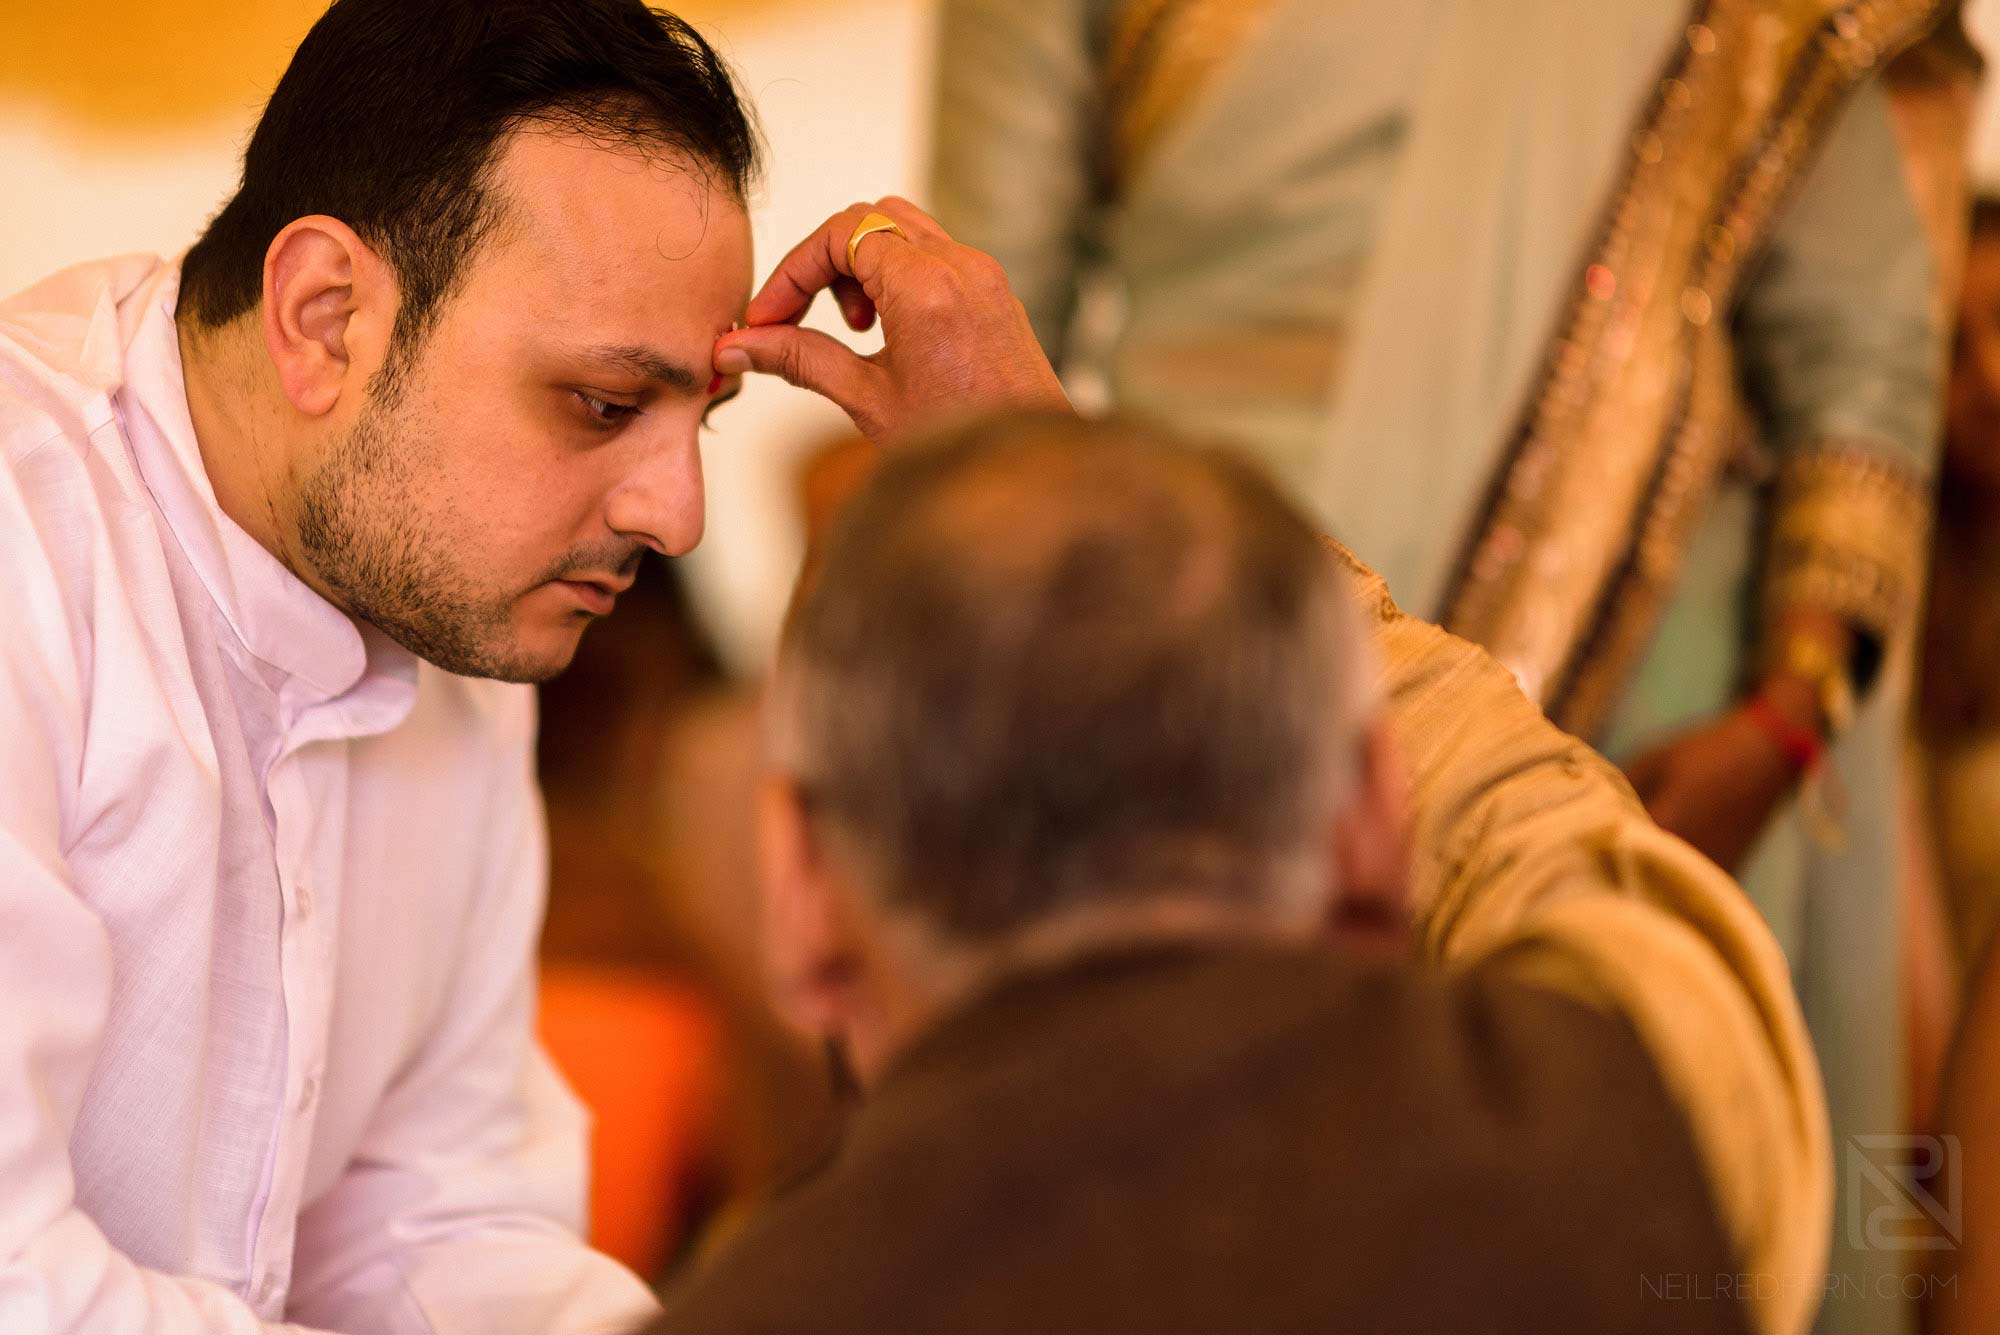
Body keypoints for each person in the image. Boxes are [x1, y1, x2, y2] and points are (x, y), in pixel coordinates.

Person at [927, 6, 1950, 1330]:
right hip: (1204, 681)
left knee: (1626, 1221)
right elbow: (980, 329)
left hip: (1648, 723)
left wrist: (1786, 720)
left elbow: (1858, 369)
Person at [718, 197, 1826, 1334]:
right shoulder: (1605, 1151)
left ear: (798, 896)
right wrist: (1094, 495)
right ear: (1369, 824)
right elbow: (1607, 900)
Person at [0, 0, 762, 1327]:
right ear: (324, 317)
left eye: (701, 417)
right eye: (602, 403)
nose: (675, 515)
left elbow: (442, 1224)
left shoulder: (454, 600)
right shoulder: (26, 552)